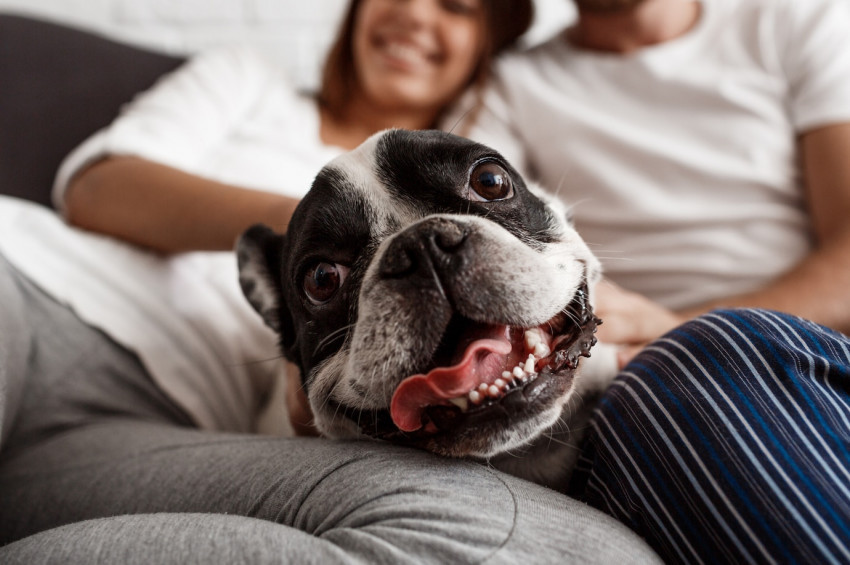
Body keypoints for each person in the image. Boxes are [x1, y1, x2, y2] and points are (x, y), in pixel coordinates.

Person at [0, 2, 663, 562]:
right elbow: (97, 188)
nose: (414, 14)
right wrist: (311, 223)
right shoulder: (250, 80)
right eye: (323, 278)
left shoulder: (488, 133)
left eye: (456, 6)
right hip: (31, 288)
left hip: (136, 428)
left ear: (485, 47)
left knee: (513, 534)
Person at [459, 0, 850, 561]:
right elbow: (454, 217)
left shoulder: (793, 21)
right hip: (641, 382)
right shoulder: (512, 85)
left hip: (804, 349)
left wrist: (682, 328)